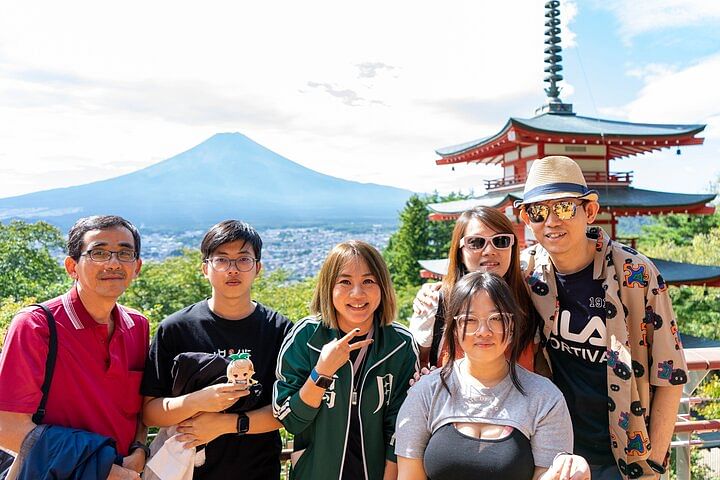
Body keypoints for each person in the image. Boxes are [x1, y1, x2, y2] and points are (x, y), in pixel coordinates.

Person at [517, 155, 687, 479]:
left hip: (626, 456)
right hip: (557, 452)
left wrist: (653, 465)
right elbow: (477, 291)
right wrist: (433, 297)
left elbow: (670, 372)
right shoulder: (528, 275)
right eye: (538, 211)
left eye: (565, 207)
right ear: (526, 218)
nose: (551, 221)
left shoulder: (634, 273)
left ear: (590, 211)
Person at [395, 272, 589, 480]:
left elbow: (547, 475)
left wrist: (575, 471)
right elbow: (409, 476)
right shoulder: (426, 392)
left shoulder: (545, 397)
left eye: (496, 318)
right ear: (454, 328)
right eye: (469, 320)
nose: (483, 331)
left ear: (512, 325)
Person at [0, 215, 150, 479]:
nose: (113, 263)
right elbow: (6, 427)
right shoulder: (37, 326)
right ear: (72, 266)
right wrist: (105, 472)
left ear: (137, 267)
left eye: (124, 253)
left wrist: (139, 448)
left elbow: (137, 410)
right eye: (99, 252)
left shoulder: (137, 326)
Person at [141, 220, 292, 480]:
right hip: (187, 473)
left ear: (258, 268)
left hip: (259, 471)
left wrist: (225, 425)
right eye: (222, 260)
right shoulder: (176, 329)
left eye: (243, 260)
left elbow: (288, 410)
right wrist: (198, 401)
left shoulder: (279, 329)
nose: (232, 270)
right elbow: (150, 412)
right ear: (205, 269)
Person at [273, 240, 419, 480]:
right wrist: (321, 372)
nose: (357, 294)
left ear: (382, 287)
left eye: (368, 281)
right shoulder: (306, 337)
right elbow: (289, 419)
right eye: (345, 282)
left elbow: (401, 426)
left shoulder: (400, 344)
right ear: (328, 287)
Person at [409, 207, 536, 370]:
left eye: (501, 241)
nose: (490, 251)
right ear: (460, 252)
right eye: (476, 242)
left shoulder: (528, 298)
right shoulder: (436, 304)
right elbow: (413, 364)